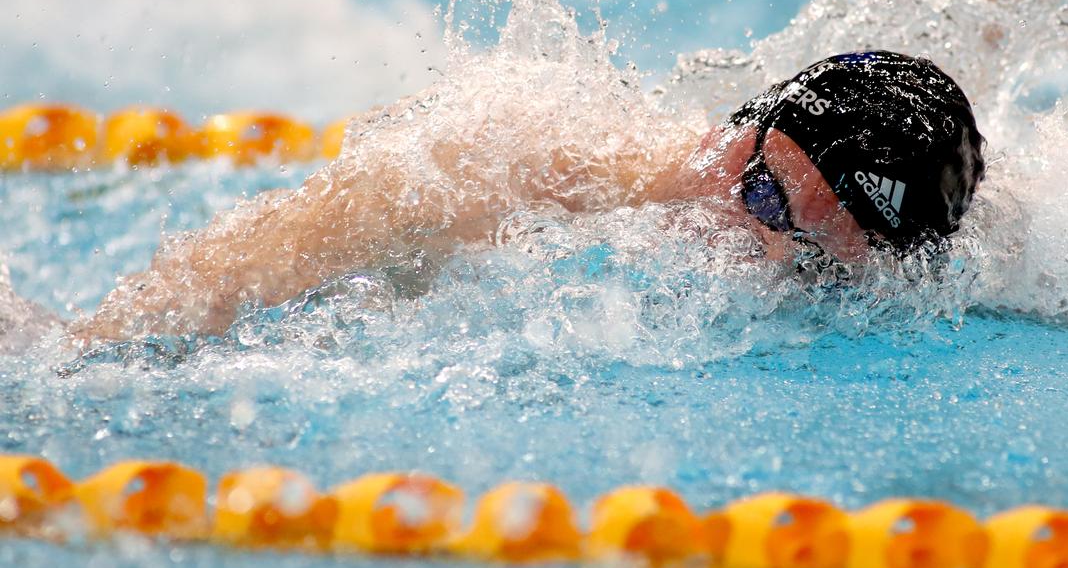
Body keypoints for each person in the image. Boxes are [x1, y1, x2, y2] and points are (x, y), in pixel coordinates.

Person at [67, 51, 987, 346]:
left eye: (823, 265)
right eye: (763, 198)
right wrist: (83, 354)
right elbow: (218, 281)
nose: (768, 252)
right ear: (734, 128)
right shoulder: (494, 171)